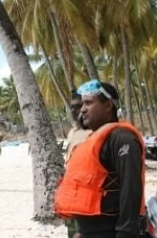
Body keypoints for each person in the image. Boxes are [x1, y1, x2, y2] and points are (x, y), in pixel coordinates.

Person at [54, 79, 146, 238]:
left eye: (88, 103)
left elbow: (130, 188)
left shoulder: (122, 138)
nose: (82, 110)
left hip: (112, 231)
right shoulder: (93, 139)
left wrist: (126, 233)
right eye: (82, 104)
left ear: (108, 105)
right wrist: (82, 231)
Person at [64, 91, 92, 238]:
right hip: (71, 196)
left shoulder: (93, 134)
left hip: (86, 199)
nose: (75, 111)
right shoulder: (73, 132)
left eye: (78, 106)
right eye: (72, 107)